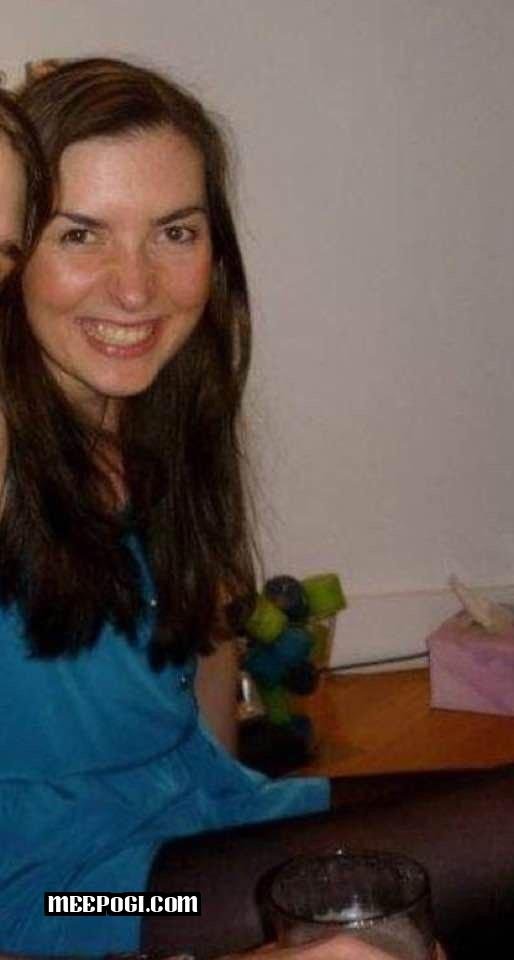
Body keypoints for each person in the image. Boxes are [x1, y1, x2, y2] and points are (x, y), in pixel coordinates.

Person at [0, 56, 334, 958]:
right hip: (63, 901)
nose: (136, 288)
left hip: (195, 829)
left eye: (174, 232)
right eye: (80, 234)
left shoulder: (166, 423)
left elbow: (205, 655)